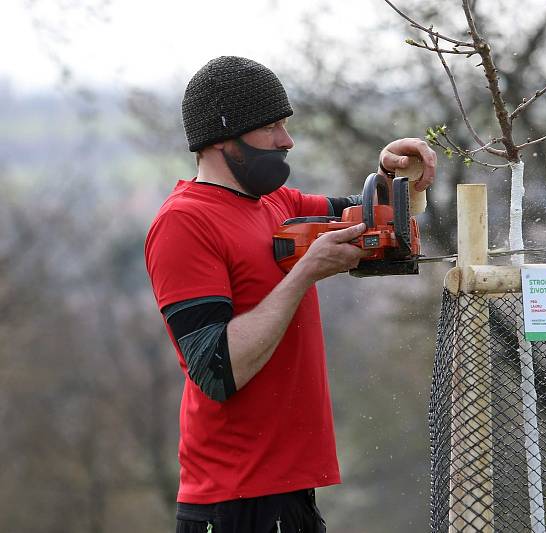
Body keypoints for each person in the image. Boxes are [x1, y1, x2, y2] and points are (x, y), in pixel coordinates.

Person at [144, 56, 436, 533]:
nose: (287, 140)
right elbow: (217, 370)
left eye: (285, 125)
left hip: (291, 492)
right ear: (222, 137)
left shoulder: (278, 204)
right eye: (272, 127)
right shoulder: (183, 223)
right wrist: (303, 276)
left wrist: (397, 177)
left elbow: (373, 219)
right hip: (232, 500)